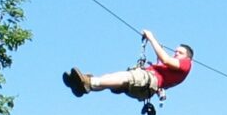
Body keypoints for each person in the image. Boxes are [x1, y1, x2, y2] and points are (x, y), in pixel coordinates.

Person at [63, 30, 193, 100]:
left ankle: (89, 81)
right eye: (175, 51)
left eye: (179, 52)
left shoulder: (186, 63)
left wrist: (152, 38)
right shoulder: (173, 72)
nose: (175, 54)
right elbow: (162, 59)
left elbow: (165, 59)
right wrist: (156, 44)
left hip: (148, 80)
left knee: (124, 77)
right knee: (111, 78)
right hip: (146, 87)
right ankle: (83, 86)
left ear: (187, 56)